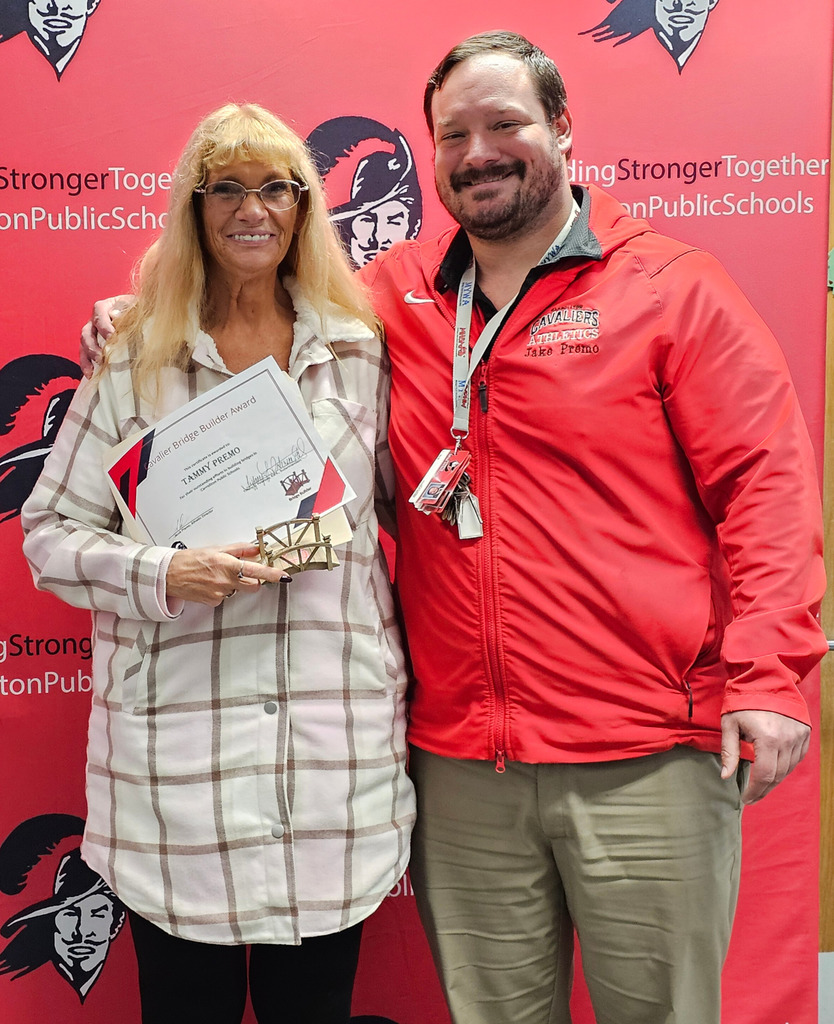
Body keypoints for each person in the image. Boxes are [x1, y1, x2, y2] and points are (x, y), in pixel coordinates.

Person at [79, 32, 826, 1024]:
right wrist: (140, 316)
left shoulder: (671, 289)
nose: (480, 151)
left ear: (562, 128)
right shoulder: (390, 299)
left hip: (644, 754)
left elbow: (767, 489)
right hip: (465, 765)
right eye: (454, 134)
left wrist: (770, 675)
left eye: (506, 124)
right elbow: (248, 310)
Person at [24, 102, 415, 1024]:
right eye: (227, 189)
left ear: (305, 206)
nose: (254, 210)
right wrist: (163, 573)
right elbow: (49, 534)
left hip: (331, 772)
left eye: (277, 188)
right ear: (194, 209)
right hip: (179, 780)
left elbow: (417, 513)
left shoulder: (364, 355)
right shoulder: (134, 359)